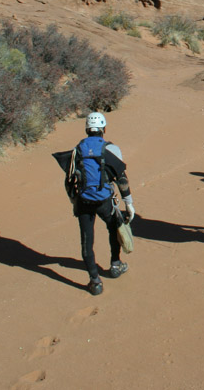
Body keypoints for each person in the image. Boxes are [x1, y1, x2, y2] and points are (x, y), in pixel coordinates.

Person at [73, 112, 135, 295]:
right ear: (104, 129)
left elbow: (70, 178)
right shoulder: (111, 149)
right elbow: (121, 178)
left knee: (86, 240)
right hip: (104, 200)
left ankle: (95, 281)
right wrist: (128, 203)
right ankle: (115, 265)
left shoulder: (77, 149)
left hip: (83, 201)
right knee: (114, 228)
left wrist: (73, 199)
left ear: (86, 129)